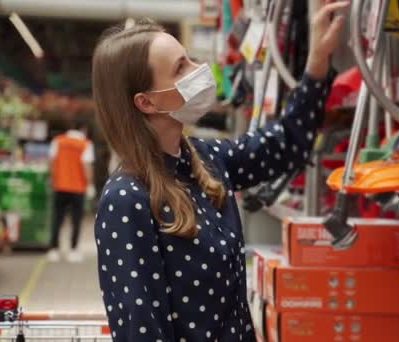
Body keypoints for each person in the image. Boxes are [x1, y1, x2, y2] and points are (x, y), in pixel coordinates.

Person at [91, 0, 348, 340]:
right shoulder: (128, 198)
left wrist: (317, 61)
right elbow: (142, 328)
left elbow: (286, 142)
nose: (199, 69)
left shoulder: (205, 160)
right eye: (181, 67)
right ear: (147, 102)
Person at [48, 117, 95, 263]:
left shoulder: (58, 140)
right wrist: (90, 184)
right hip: (77, 188)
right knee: (76, 220)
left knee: (57, 218)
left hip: (60, 185)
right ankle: (73, 250)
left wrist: (53, 179)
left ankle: (54, 249)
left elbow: (51, 162)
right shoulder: (85, 144)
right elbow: (86, 166)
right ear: (83, 129)